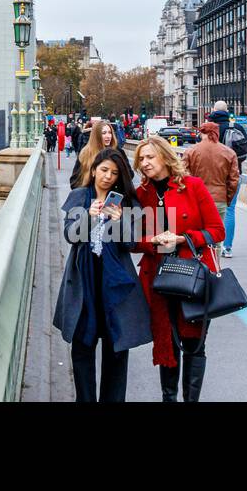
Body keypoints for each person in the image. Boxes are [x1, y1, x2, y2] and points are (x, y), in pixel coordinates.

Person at [54, 148, 151, 402]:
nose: (108, 176)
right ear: (94, 169)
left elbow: (130, 245)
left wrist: (119, 220)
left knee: (116, 349)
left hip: (115, 285)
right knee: (83, 347)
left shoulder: (125, 202)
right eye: (104, 170)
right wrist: (89, 216)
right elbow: (71, 236)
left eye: (114, 173)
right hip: (84, 282)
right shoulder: (79, 197)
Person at [132, 136, 225, 402]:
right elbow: (131, 242)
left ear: (164, 156)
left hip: (192, 277)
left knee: (195, 345)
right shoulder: (142, 195)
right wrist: (152, 241)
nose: (145, 163)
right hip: (158, 278)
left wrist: (182, 239)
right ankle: (169, 398)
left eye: (150, 157)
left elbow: (218, 230)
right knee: (167, 343)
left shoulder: (192, 187)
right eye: (141, 158)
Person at [183, 122, 239, 256]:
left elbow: (182, 175)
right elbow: (233, 181)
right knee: (216, 238)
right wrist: (227, 199)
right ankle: (215, 267)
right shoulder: (229, 152)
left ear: (202, 133)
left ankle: (200, 268)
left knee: (197, 235)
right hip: (219, 199)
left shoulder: (191, 151)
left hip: (196, 200)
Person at [207, 100, 247, 257]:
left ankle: (213, 244)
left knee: (212, 209)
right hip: (234, 174)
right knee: (230, 210)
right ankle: (227, 247)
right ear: (227, 111)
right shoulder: (236, 127)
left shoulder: (210, 128)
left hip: (213, 177)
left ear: (213, 110)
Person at [71, 119, 118, 189]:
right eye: (104, 133)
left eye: (110, 132)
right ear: (96, 135)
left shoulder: (117, 152)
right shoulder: (85, 153)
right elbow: (74, 181)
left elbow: (128, 176)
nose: (108, 136)